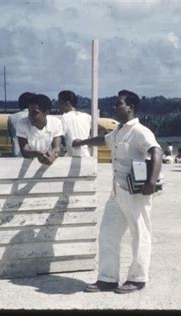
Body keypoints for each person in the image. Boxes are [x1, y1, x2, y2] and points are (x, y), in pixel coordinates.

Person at [72, 90, 162, 294]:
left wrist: (151, 181)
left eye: (118, 104)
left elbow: (156, 151)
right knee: (107, 235)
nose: (115, 107)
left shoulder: (140, 131)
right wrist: (82, 142)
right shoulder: (119, 131)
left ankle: (137, 279)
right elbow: (103, 140)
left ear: (130, 107)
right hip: (116, 193)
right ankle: (107, 278)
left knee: (140, 235)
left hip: (136, 193)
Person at [16, 94, 63, 165]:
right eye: (29, 111)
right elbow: (24, 151)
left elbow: (57, 148)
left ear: (46, 112)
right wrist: (38, 154)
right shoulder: (22, 123)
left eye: (35, 112)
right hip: (24, 163)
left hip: (46, 161)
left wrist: (52, 155)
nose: (30, 115)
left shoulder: (56, 123)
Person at [58, 90, 91, 157]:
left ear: (67, 103)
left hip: (72, 156)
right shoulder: (87, 117)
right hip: (87, 156)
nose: (59, 106)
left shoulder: (64, 118)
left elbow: (58, 137)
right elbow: (101, 129)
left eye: (60, 103)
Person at [8, 92, 33, 157]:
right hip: (33, 152)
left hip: (16, 152)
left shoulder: (12, 117)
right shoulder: (36, 115)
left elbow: (11, 135)